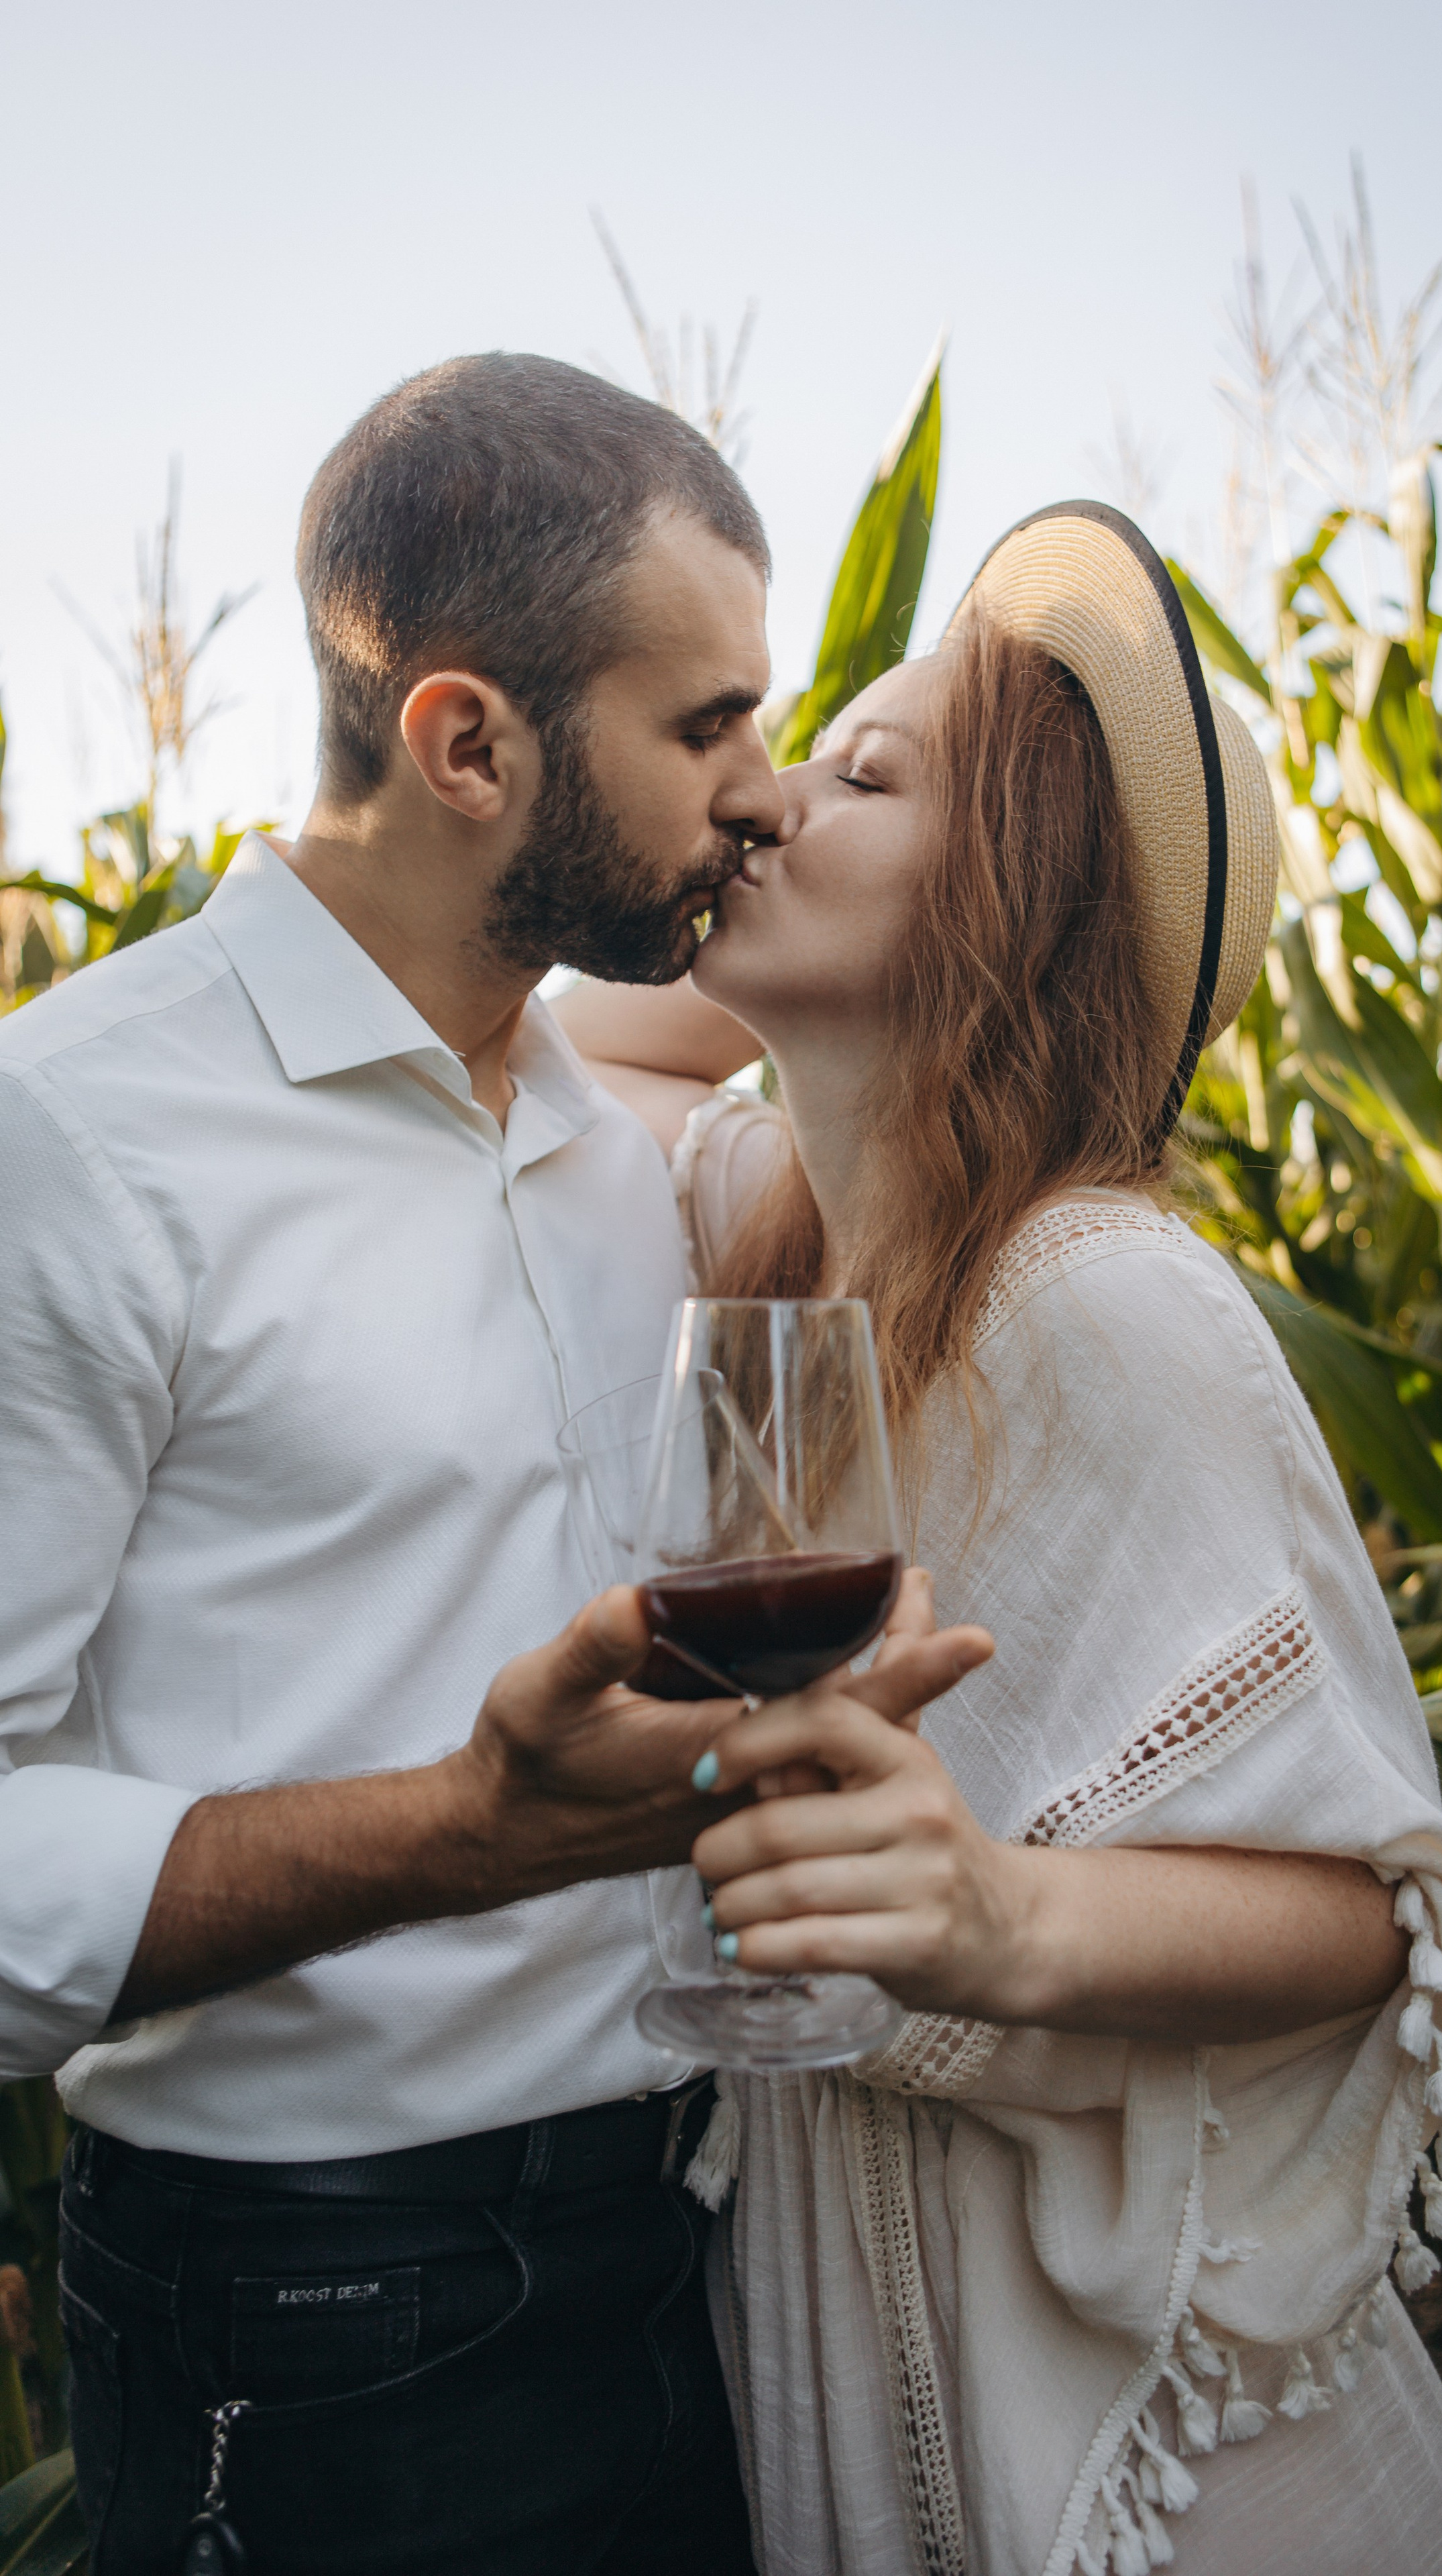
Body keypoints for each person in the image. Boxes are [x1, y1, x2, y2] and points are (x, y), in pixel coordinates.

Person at [0, 353, 980, 2576]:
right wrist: (466, 1833)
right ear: (467, 741)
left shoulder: (588, 1122)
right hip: (312, 2315)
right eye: (706, 725)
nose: (765, 789)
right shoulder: (75, 1141)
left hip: (691, 2243)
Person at [558, 501, 1442, 2575]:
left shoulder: (1093, 1293)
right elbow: (544, 1039)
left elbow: (1361, 1910)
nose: (767, 797)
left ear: (1021, 899)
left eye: (864, 776)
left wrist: (985, 1921)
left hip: (1161, 2446)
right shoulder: (770, 1231)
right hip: (861, 2315)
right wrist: (761, 873)